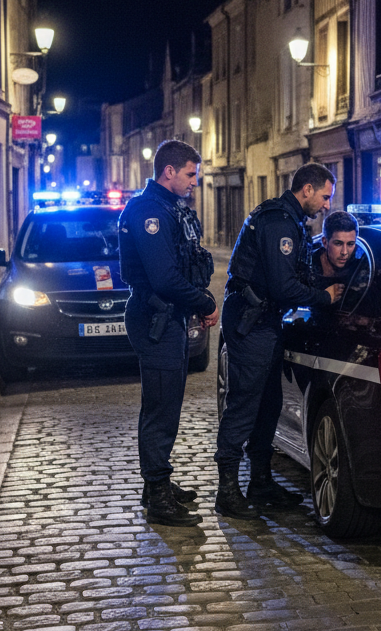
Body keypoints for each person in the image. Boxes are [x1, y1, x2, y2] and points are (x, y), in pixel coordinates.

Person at [214, 164, 344, 518]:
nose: (326, 204)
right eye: (324, 196)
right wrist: (325, 297)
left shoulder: (289, 220)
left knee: (268, 404)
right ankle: (227, 490)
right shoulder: (279, 224)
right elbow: (283, 286)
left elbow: (295, 277)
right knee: (244, 405)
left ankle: (260, 481)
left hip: (265, 321)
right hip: (251, 322)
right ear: (306, 190)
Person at [119, 139, 219, 527]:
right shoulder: (150, 212)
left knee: (168, 405)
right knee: (160, 410)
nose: (195, 181)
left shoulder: (168, 207)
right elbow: (163, 277)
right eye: (191, 174)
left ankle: (157, 483)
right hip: (155, 318)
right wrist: (205, 302)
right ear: (169, 172)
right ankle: (158, 494)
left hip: (168, 318)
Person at [311, 210, 360, 287]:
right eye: (338, 244)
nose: (344, 252)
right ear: (325, 242)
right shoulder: (307, 266)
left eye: (350, 244)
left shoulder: (359, 266)